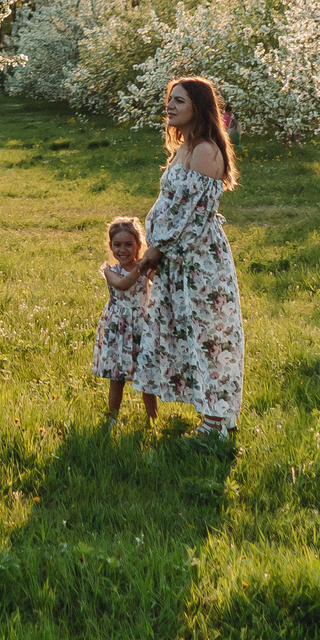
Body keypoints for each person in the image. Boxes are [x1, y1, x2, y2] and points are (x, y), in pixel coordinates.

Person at [116, 75, 244, 442]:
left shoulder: (205, 149)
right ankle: (216, 418)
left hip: (199, 261)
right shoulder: (184, 148)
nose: (170, 106)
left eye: (180, 101)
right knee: (189, 336)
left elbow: (194, 213)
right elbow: (173, 207)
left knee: (211, 337)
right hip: (178, 261)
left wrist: (158, 248)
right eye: (169, 100)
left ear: (199, 107)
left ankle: (217, 424)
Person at [92, 215, 158, 427]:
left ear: (139, 245)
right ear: (110, 246)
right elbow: (122, 285)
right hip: (118, 327)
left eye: (129, 244)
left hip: (142, 326)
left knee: (146, 376)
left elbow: (161, 282)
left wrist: (153, 262)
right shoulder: (110, 271)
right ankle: (112, 418)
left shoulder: (146, 268)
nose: (123, 250)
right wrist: (143, 265)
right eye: (117, 245)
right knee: (117, 377)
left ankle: (152, 420)